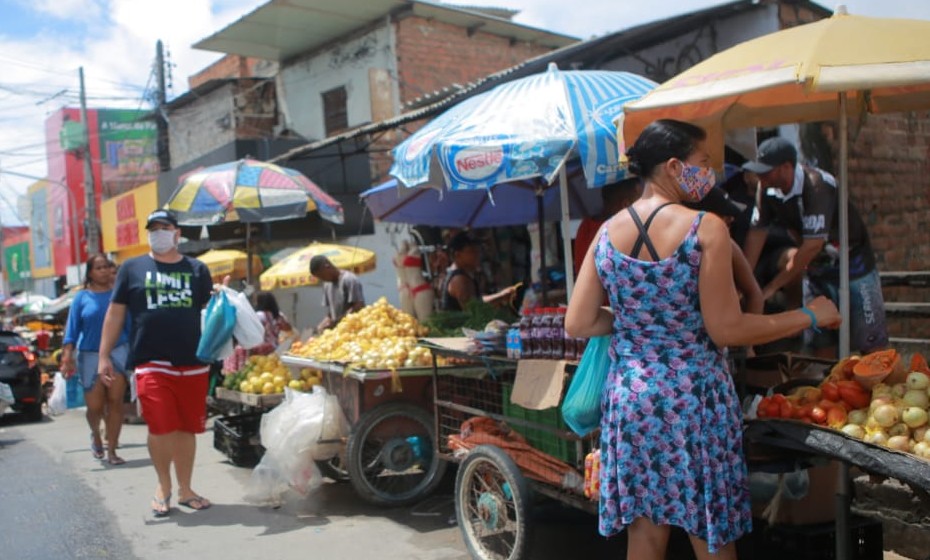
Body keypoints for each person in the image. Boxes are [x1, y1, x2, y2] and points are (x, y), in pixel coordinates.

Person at [565, 119, 840, 560]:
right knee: (710, 531)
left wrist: (639, 320)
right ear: (674, 166)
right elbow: (726, 329)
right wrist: (808, 314)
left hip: (631, 401)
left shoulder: (605, 232)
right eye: (703, 162)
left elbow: (577, 323)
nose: (708, 172)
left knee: (646, 535)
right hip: (694, 401)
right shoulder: (705, 227)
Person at [97, 209, 215, 517]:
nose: (158, 233)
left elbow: (210, 312)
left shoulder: (197, 269)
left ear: (177, 234)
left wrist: (225, 298)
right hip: (151, 361)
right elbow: (116, 313)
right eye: (153, 228)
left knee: (187, 428)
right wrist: (103, 355)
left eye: (165, 227)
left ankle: (186, 489)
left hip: (194, 361)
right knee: (161, 426)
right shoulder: (132, 268)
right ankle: (164, 486)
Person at [741, 136, 888, 354]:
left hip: (853, 265)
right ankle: (824, 384)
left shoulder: (817, 185)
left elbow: (812, 246)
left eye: (766, 171)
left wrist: (771, 287)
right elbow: (757, 233)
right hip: (817, 269)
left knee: (870, 340)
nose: (760, 177)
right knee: (820, 340)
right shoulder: (767, 189)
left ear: (786, 167)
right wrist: (744, 282)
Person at [60, 254, 131, 465]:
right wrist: (67, 357)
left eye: (105, 267)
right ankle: (97, 436)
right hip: (89, 355)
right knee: (95, 406)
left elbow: (130, 325)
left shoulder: (119, 295)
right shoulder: (81, 298)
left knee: (115, 401)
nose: (102, 271)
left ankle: (112, 450)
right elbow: (72, 330)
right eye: (98, 268)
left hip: (118, 352)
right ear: (90, 272)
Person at [572, 176, 643, 276]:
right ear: (626, 205)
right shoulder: (621, 231)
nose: (644, 206)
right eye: (640, 201)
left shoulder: (586, 225)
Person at [439, 231, 516, 312]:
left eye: (477, 250)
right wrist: (501, 296)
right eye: (472, 251)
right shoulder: (460, 280)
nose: (477, 254)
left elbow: (476, 300)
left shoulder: (462, 274)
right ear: (457, 255)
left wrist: (502, 295)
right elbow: (473, 309)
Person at [309, 255, 365, 331]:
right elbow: (331, 314)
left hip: (354, 329)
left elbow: (358, 306)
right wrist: (320, 326)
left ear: (327, 267)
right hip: (337, 333)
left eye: (321, 275)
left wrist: (338, 322)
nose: (322, 279)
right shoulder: (327, 285)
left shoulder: (349, 280)